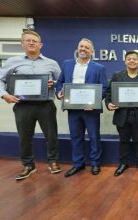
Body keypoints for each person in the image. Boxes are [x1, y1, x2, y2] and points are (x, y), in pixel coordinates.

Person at [0, 30, 61, 180]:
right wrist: (4, 94)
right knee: (25, 136)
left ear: (40, 45)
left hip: (46, 105)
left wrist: (54, 83)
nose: (31, 43)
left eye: (34, 41)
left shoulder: (52, 63)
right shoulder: (12, 62)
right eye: (28, 40)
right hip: (22, 105)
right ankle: (28, 165)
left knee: (51, 135)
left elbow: (61, 82)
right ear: (22, 43)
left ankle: (53, 161)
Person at [55, 38, 108, 177]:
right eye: (81, 46)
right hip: (72, 109)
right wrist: (59, 92)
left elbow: (104, 88)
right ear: (77, 48)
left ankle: (95, 163)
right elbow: (59, 83)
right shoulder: (67, 64)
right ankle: (78, 164)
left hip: (90, 110)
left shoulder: (99, 68)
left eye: (87, 48)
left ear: (92, 52)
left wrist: (94, 103)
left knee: (94, 137)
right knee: (75, 137)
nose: (83, 49)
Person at [105, 51, 138, 176]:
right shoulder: (117, 76)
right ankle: (123, 163)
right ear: (125, 61)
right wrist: (108, 104)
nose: (132, 61)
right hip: (121, 115)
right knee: (123, 141)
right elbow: (108, 94)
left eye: (134, 59)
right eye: (129, 59)